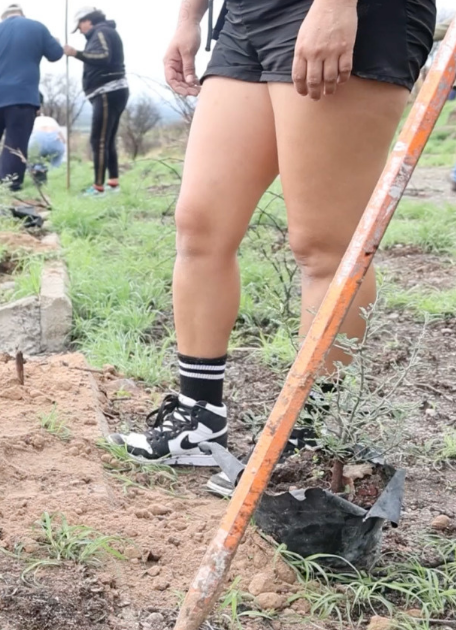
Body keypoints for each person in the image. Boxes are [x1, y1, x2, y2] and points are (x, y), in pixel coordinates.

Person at [108, 0, 435, 472]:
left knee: (324, 246)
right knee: (201, 226)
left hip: (341, 10)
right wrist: (189, 18)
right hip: (247, 16)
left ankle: (310, 439)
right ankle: (199, 418)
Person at [0, 4, 64, 192]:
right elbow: (55, 54)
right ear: (22, 15)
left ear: (3, 17)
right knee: (15, 143)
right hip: (22, 96)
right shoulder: (36, 27)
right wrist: (55, 42)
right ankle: (10, 185)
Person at [64, 6, 128, 196]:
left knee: (98, 140)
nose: (80, 31)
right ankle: (113, 184)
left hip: (107, 91)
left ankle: (98, 188)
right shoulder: (106, 31)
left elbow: (103, 56)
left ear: (87, 20)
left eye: (79, 26)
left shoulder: (100, 32)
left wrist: (76, 53)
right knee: (107, 140)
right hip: (115, 90)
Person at [28, 114, 67, 186]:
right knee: (58, 154)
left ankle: (37, 170)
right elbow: (64, 140)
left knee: (35, 158)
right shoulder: (51, 119)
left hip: (38, 138)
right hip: (55, 140)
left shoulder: (32, 119)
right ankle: (55, 172)